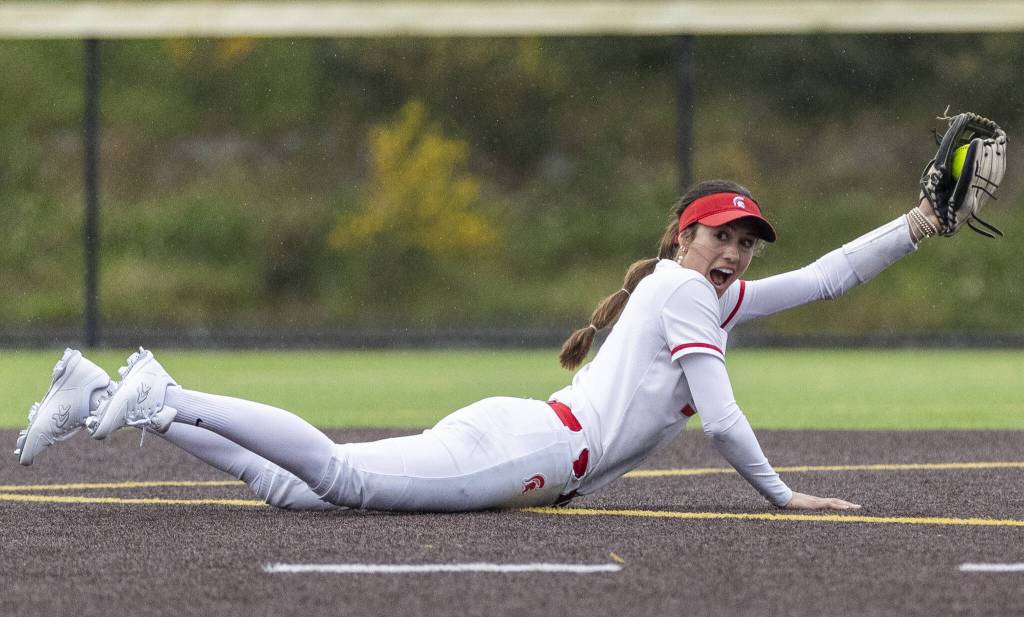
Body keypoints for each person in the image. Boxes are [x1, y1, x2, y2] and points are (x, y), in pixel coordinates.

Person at [15, 180, 945, 512]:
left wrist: (915, 224)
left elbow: (825, 278)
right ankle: (162, 395)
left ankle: (105, 391)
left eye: (746, 242)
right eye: (721, 236)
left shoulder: (698, 295)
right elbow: (725, 419)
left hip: (530, 441)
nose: (736, 252)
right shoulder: (684, 294)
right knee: (336, 479)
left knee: (288, 486)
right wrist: (781, 498)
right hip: (535, 449)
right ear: (679, 235)